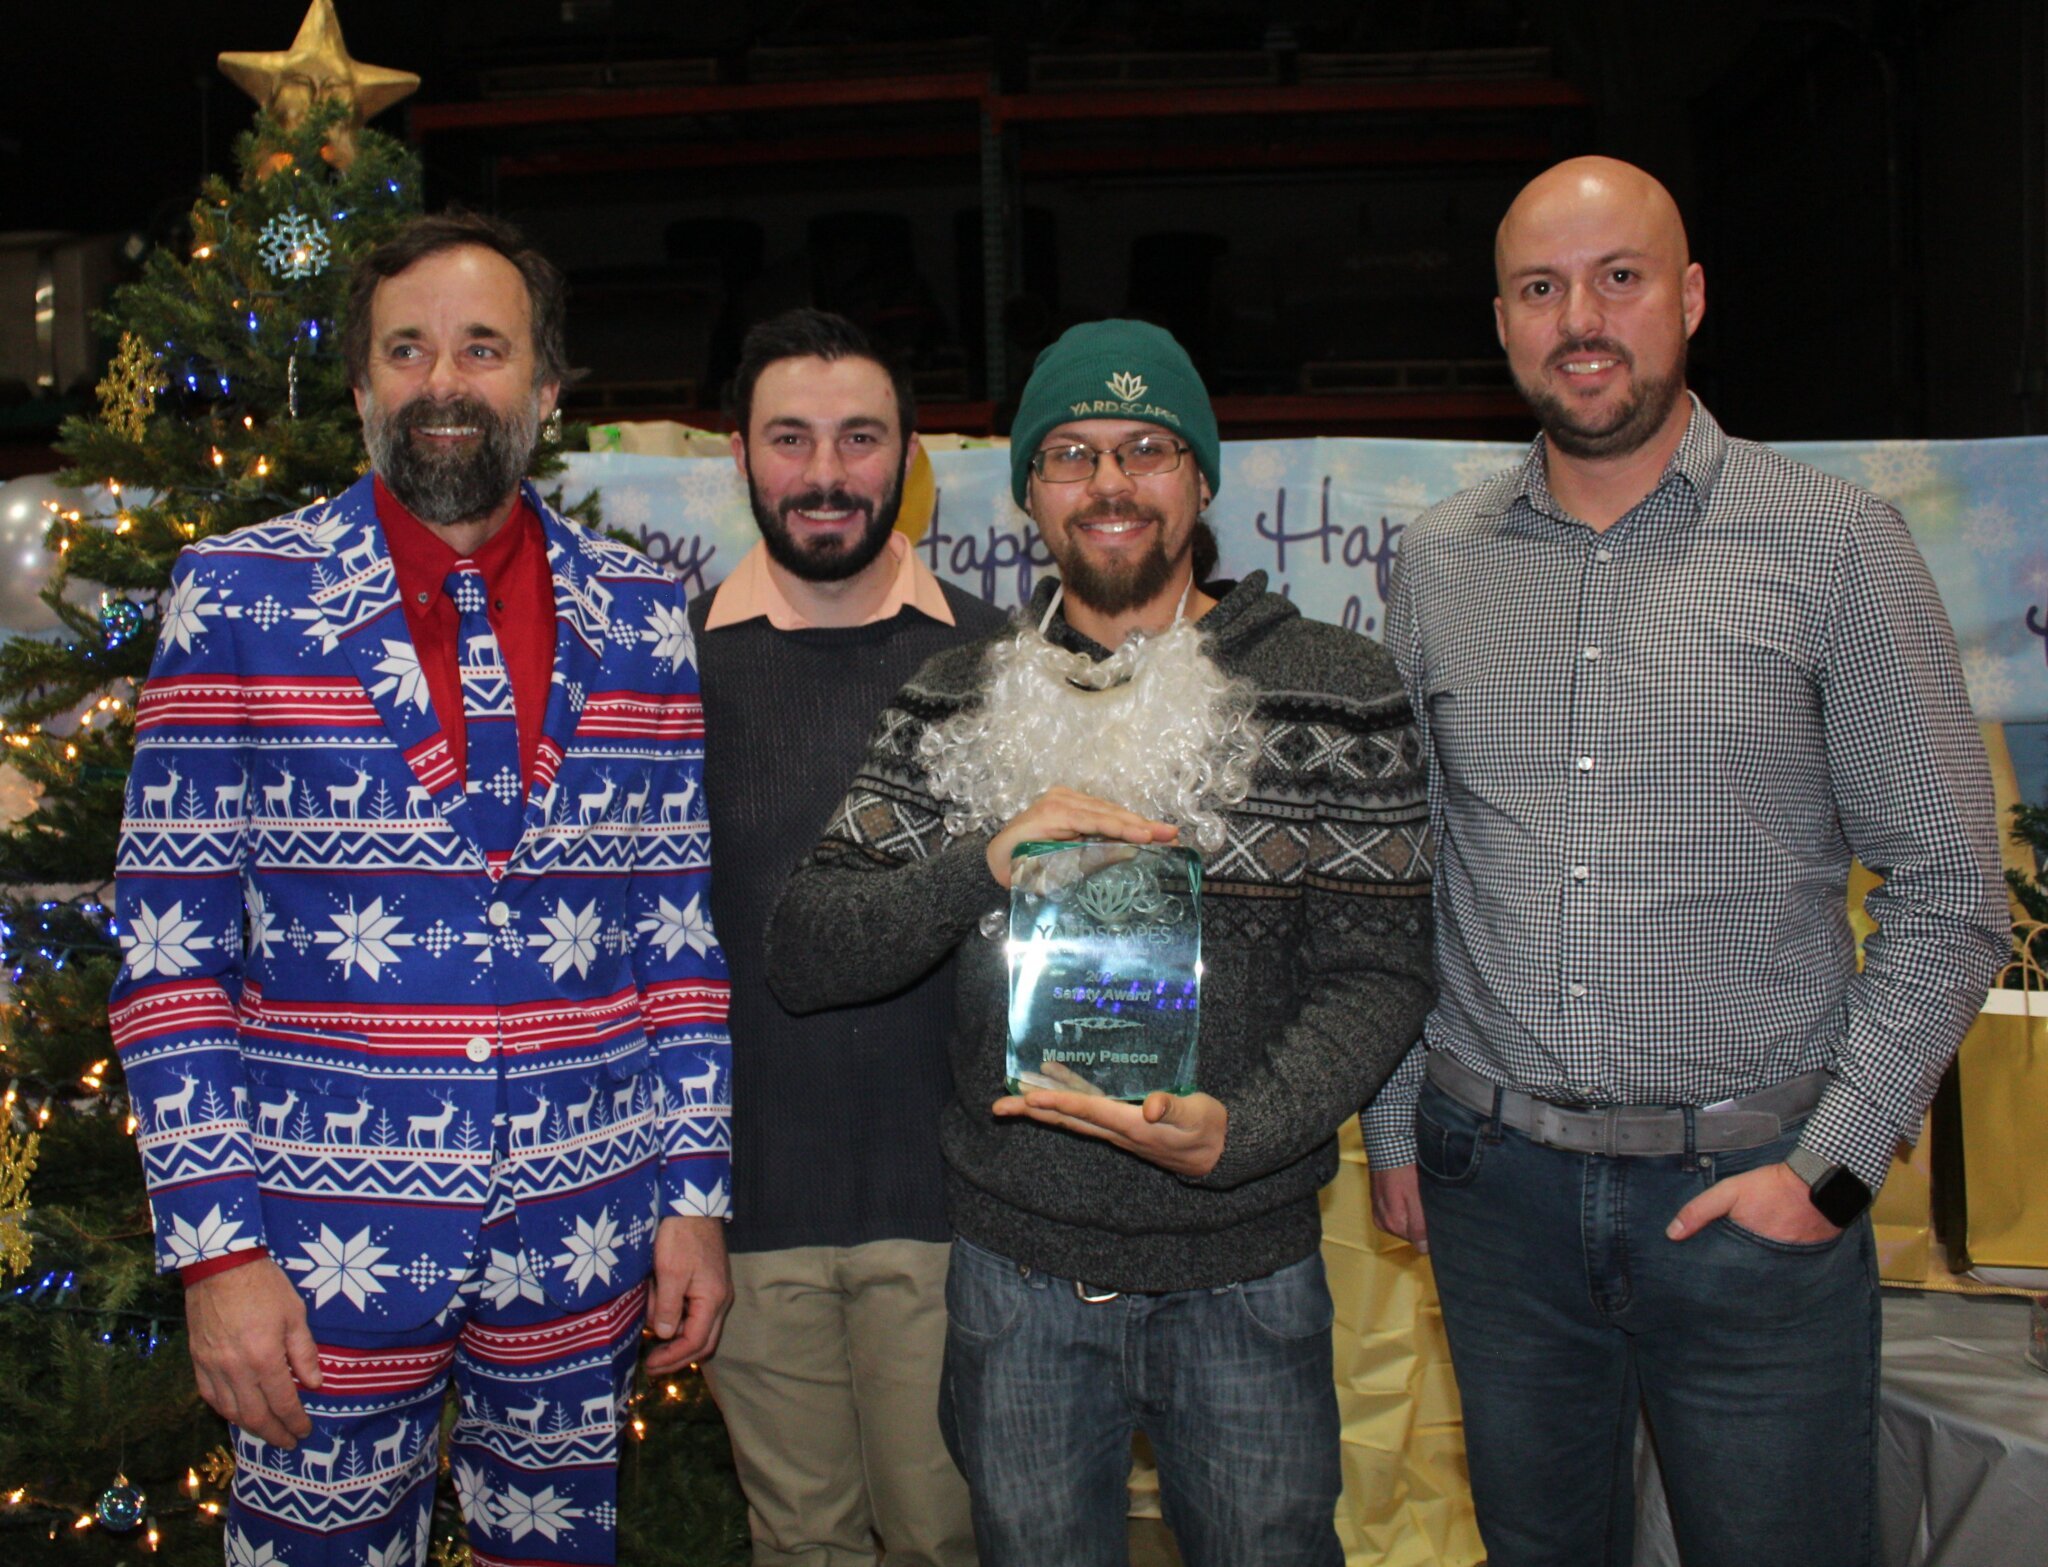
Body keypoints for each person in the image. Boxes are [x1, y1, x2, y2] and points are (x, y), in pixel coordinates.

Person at [1363, 156, 2008, 1567]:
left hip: (1750, 1202)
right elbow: (1411, 870)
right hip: (1495, 1200)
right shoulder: (1439, 562)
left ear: (1692, 296)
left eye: (1619, 277)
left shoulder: (1835, 545)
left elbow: (1952, 886)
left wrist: (1831, 1168)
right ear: (1501, 321)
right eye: (1541, 288)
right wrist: (1401, 1122)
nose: (1579, 319)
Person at [110, 211, 733, 1566]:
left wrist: (694, 1195)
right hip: (313, 1258)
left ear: (546, 388)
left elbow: (675, 939)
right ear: (359, 388)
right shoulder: (236, 597)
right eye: (406, 349)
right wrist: (217, 1252)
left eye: (483, 348)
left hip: (585, 1232)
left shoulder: (642, 613)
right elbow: (168, 959)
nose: (442, 380)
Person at [766, 319, 1434, 1567]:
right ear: (1028, 490)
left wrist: (1242, 1130)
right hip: (1015, 1276)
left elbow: (1381, 970)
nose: (1109, 482)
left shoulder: (1339, 689)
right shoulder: (953, 700)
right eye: (1071, 453)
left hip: (1245, 1270)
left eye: (1146, 449)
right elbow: (808, 950)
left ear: (1200, 479)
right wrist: (978, 859)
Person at [687, 308, 1000, 1566]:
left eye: (859, 438)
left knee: (946, 1537)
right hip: (746, 1210)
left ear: (909, 456)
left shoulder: (998, 660)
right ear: (739, 456)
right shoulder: (669, 671)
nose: (825, 473)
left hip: (953, 1210)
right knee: (800, 1542)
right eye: (790, 438)